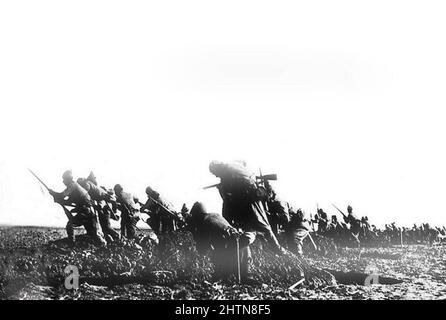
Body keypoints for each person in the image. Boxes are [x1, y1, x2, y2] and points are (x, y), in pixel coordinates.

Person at [209, 160, 288, 284]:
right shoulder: (231, 169)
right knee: (253, 232)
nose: (215, 176)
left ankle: (279, 250)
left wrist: (223, 188)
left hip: (247, 203)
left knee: (260, 228)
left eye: (215, 173)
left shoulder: (227, 174)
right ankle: (276, 250)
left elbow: (229, 198)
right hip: (246, 202)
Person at [49, 170, 106, 246]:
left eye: (64, 179)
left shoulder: (73, 185)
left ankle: (71, 244)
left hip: (86, 211)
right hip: (88, 211)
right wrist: (58, 199)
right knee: (93, 234)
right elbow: (68, 201)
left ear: (69, 179)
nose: (63, 181)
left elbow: (62, 195)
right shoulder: (74, 188)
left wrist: (54, 193)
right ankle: (103, 244)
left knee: (70, 225)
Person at [186, 202, 240, 281]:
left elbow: (202, 246)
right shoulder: (215, 215)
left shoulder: (204, 222)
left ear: (197, 215)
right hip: (236, 238)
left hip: (227, 242)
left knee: (217, 262)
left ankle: (220, 278)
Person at [77, 172, 120, 243]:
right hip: (103, 204)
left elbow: (84, 194)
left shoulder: (86, 184)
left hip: (105, 205)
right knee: (104, 227)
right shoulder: (92, 185)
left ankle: (117, 237)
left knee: (106, 227)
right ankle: (110, 240)